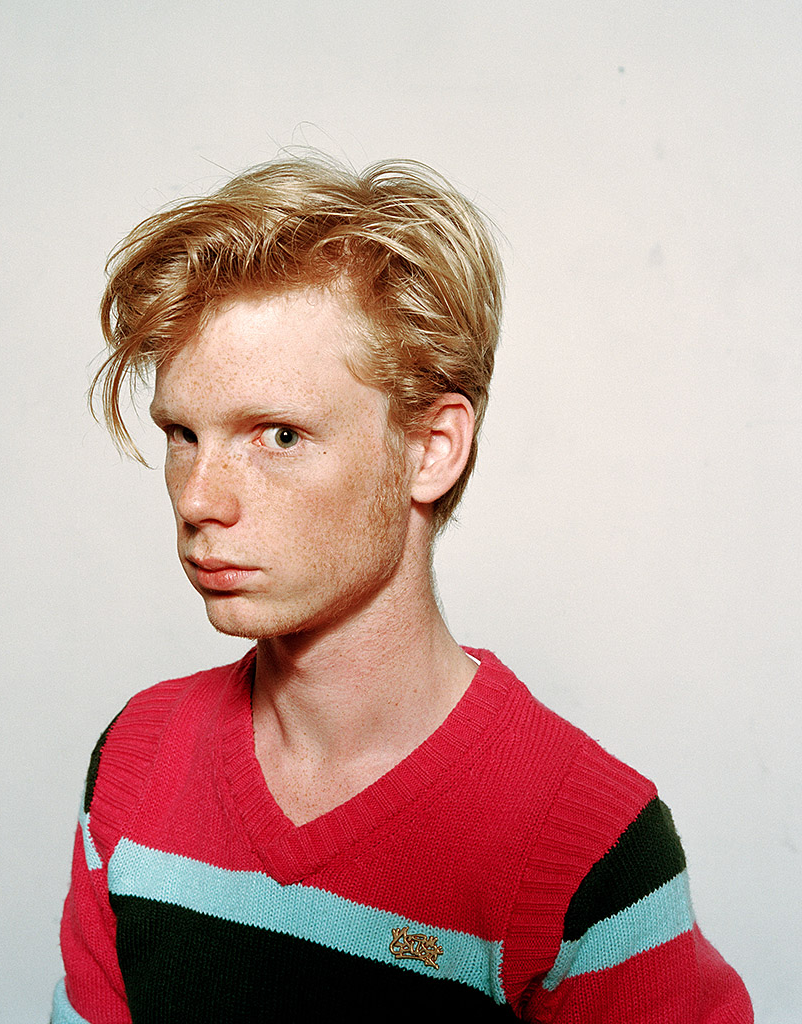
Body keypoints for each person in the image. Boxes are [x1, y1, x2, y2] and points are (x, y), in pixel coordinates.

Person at [51, 154, 752, 1022]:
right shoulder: (136, 758)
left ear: (430, 448)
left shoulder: (593, 848)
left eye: (278, 435)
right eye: (184, 434)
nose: (199, 498)